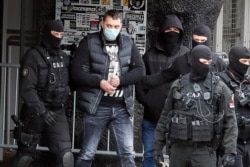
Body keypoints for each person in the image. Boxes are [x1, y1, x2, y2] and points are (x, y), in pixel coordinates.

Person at [71, 9, 145, 167]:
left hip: (122, 108)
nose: (112, 29)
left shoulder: (128, 43)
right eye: (109, 25)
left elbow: (140, 71)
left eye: (116, 26)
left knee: (127, 154)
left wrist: (121, 80)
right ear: (102, 24)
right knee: (87, 153)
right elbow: (76, 72)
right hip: (97, 106)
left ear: (121, 26)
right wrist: (100, 82)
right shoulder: (89, 42)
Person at [153, 45, 238, 167]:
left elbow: (230, 121)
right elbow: (165, 117)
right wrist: (157, 147)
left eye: (209, 62)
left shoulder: (219, 87)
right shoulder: (179, 85)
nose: (206, 65)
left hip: (204, 151)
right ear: (192, 61)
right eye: (203, 62)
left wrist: (229, 151)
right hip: (179, 150)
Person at [12, 20, 74, 167]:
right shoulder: (32, 56)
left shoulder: (63, 58)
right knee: (24, 158)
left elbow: (73, 82)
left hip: (57, 112)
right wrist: (42, 111)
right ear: (47, 33)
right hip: (35, 112)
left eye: (61, 34)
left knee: (66, 157)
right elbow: (27, 89)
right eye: (55, 34)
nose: (58, 37)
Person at [135, 14, 189, 167]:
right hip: (152, 119)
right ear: (162, 32)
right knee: (150, 156)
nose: (172, 33)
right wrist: (146, 100)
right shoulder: (150, 55)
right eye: (169, 29)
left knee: (177, 158)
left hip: (179, 119)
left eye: (176, 30)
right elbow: (140, 80)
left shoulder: (186, 54)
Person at [142, 24, 226, 87]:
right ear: (192, 39)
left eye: (202, 40)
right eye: (196, 40)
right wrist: (138, 80)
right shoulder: (182, 61)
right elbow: (162, 77)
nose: (199, 43)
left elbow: (228, 85)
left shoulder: (217, 62)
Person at [217, 45, 250, 167]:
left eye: (248, 61)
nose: (246, 65)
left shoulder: (247, 82)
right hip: (230, 143)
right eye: (243, 61)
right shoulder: (220, 81)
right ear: (234, 60)